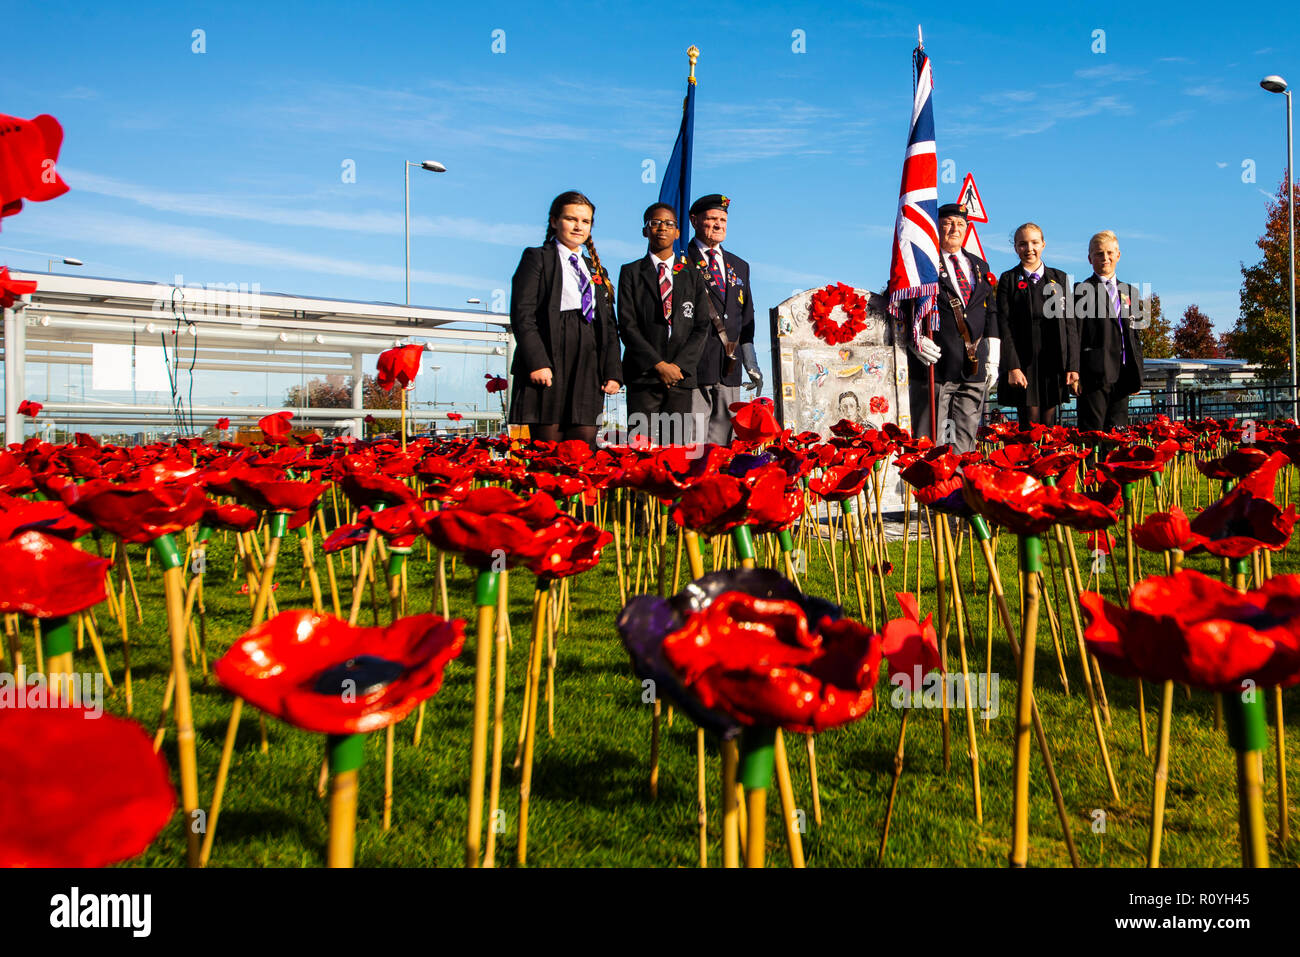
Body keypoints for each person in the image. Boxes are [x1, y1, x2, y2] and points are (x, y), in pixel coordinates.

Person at [507, 191, 623, 445]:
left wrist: (613, 370)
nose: (578, 226)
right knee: (549, 448)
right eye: (571, 219)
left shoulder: (596, 269)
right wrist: (537, 361)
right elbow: (522, 314)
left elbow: (610, 325)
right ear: (553, 221)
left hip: (588, 365)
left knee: (584, 444)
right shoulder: (537, 258)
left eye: (585, 221)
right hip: (550, 360)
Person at [906, 202, 999, 453]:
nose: (954, 229)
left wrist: (994, 358)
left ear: (967, 228)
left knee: (965, 443)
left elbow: (990, 312)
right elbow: (905, 305)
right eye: (947, 223)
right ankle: (932, 490)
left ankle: (958, 490)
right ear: (937, 227)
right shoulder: (922, 265)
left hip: (973, 367)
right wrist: (913, 338)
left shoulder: (980, 267)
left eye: (960, 224)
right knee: (931, 442)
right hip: (937, 365)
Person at [616, 203, 711, 445]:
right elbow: (628, 325)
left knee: (676, 450)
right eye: (655, 223)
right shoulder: (631, 272)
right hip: (644, 376)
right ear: (645, 230)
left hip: (681, 377)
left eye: (669, 224)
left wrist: (678, 367)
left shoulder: (692, 275)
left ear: (678, 232)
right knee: (640, 448)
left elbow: (701, 326)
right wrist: (658, 365)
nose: (662, 228)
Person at [686, 194, 762, 444]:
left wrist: (751, 363)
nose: (718, 225)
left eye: (723, 220)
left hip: (729, 368)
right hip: (694, 368)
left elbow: (746, 319)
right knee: (693, 446)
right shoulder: (681, 261)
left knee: (723, 446)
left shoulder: (740, 266)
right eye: (711, 219)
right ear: (694, 220)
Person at [996, 223, 1078, 427]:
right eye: (1022, 244)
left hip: (1053, 360)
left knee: (1049, 424)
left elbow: (1070, 326)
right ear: (1015, 248)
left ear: (1043, 244)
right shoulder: (1008, 279)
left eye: (1034, 242)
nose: (1029, 248)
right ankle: (1029, 459)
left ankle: (1048, 458)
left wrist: (1072, 366)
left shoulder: (1060, 278)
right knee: (1029, 423)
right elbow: (1004, 325)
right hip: (1024, 362)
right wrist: (1012, 366)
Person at [1074, 230, 1144, 432]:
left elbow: (1135, 337)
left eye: (1109, 252)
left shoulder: (1131, 292)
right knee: (1092, 435)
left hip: (1123, 376)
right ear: (1090, 258)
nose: (1105, 258)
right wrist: (1075, 373)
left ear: (1118, 255)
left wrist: (1137, 375)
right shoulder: (1080, 290)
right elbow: (1075, 335)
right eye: (1099, 253)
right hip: (1093, 376)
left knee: (1118, 436)